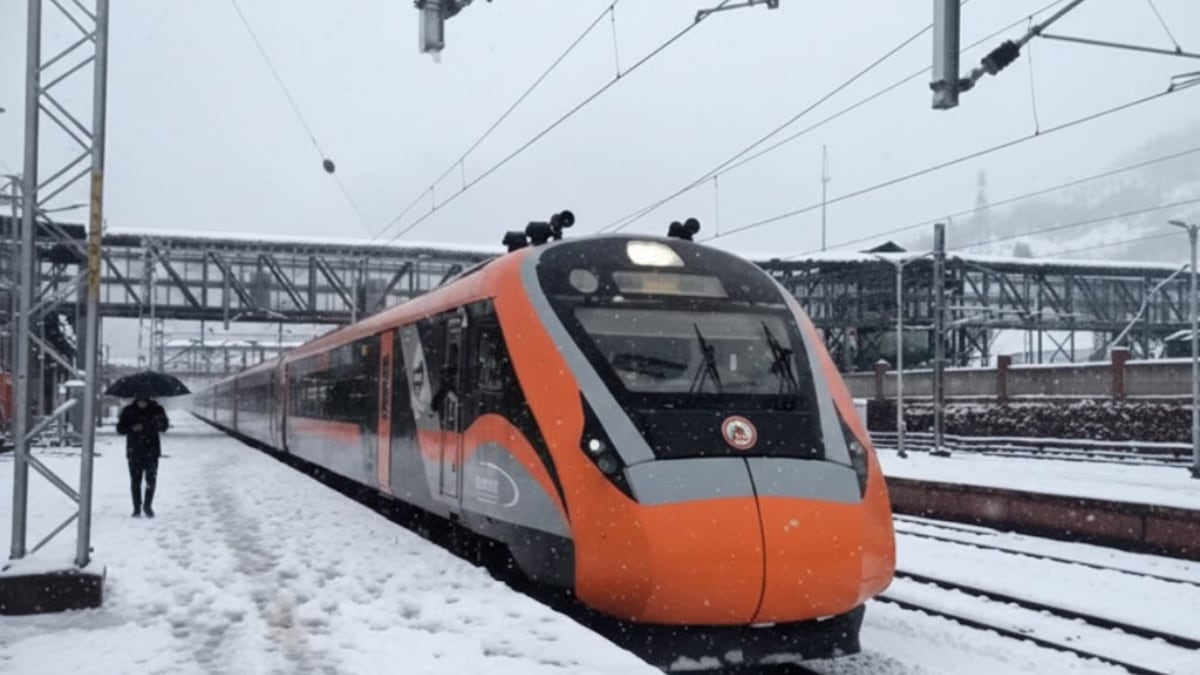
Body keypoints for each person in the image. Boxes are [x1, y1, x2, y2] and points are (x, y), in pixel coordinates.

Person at [117, 397, 169, 518]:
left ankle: (147, 506)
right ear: (136, 399)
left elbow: (165, 426)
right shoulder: (129, 410)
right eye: (140, 400)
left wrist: (156, 424)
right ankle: (136, 507)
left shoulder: (157, 409)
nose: (142, 403)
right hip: (134, 450)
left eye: (144, 400)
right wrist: (132, 428)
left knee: (151, 479)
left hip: (152, 450)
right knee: (135, 480)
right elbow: (120, 429)